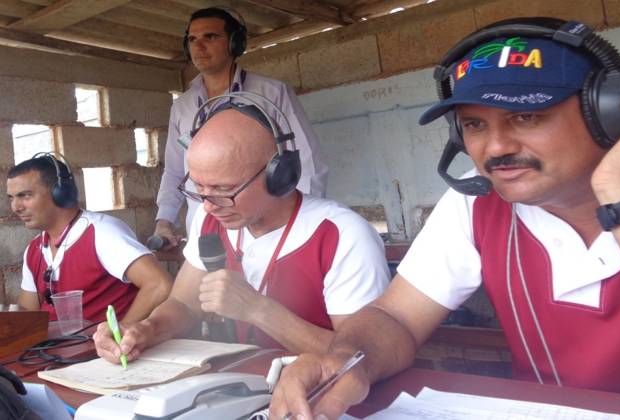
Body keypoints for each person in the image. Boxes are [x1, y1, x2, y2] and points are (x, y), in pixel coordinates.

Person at [269, 18, 620, 418]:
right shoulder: (478, 198)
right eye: (474, 124)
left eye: (526, 116)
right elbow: (396, 316)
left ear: (608, 114)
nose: (496, 148)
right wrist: (349, 362)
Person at [93, 101, 389, 362]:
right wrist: (146, 329)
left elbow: (363, 357)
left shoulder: (341, 236)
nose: (209, 207)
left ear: (279, 175)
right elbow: (183, 303)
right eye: (199, 189)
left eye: (224, 189)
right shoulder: (211, 220)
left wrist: (258, 310)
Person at [154, 7, 328, 246]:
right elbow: (174, 171)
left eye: (210, 37)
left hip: (268, 227)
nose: (199, 46)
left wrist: (302, 223)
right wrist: (164, 220)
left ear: (235, 44)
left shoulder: (272, 93)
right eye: (192, 39)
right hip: (206, 232)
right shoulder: (182, 107)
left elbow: (308, 164)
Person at [7, 154, 173, 324]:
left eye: (25, 196)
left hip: (100, 348)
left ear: (60, 193)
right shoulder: (34, 249)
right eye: (11, 198)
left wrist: (122, 332)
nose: (16, 207)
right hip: (52, 348)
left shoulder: (102, 232)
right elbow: (28, 312)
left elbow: (159, 284)